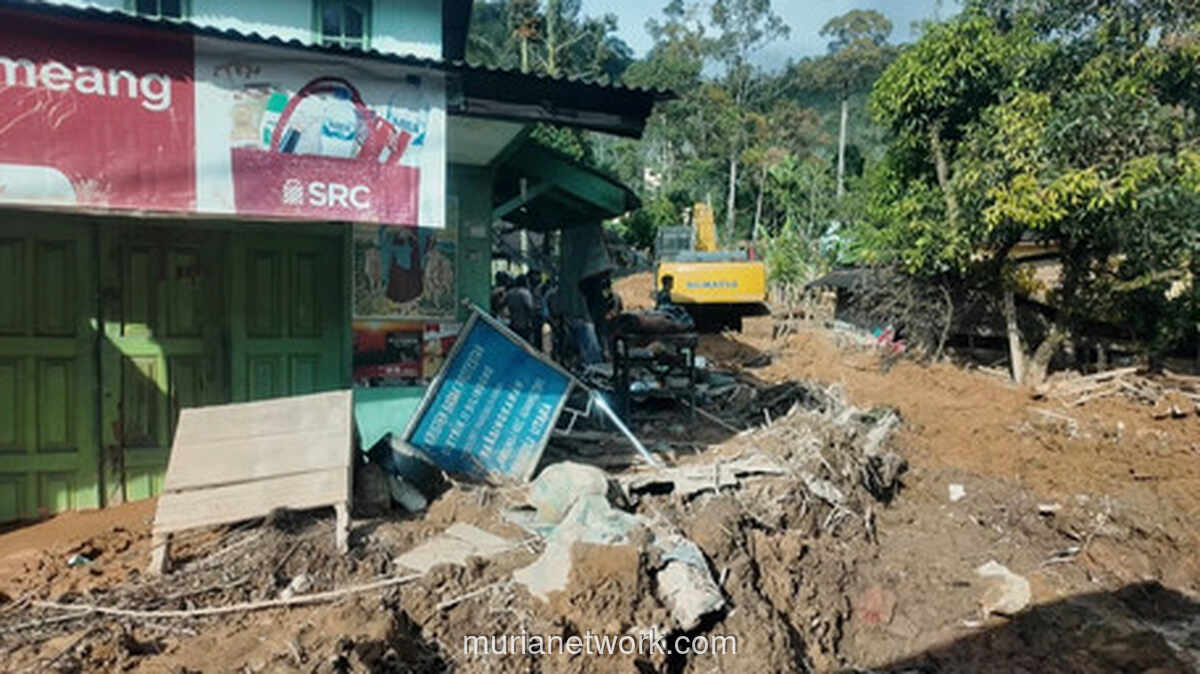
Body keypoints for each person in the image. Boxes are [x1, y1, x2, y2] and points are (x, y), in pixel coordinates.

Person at [505, 273, 537, 344]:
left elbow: (503, 305)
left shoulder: (510, 293)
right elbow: (530, 308)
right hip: (524, 325)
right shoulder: (525, 293)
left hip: (513, 324)